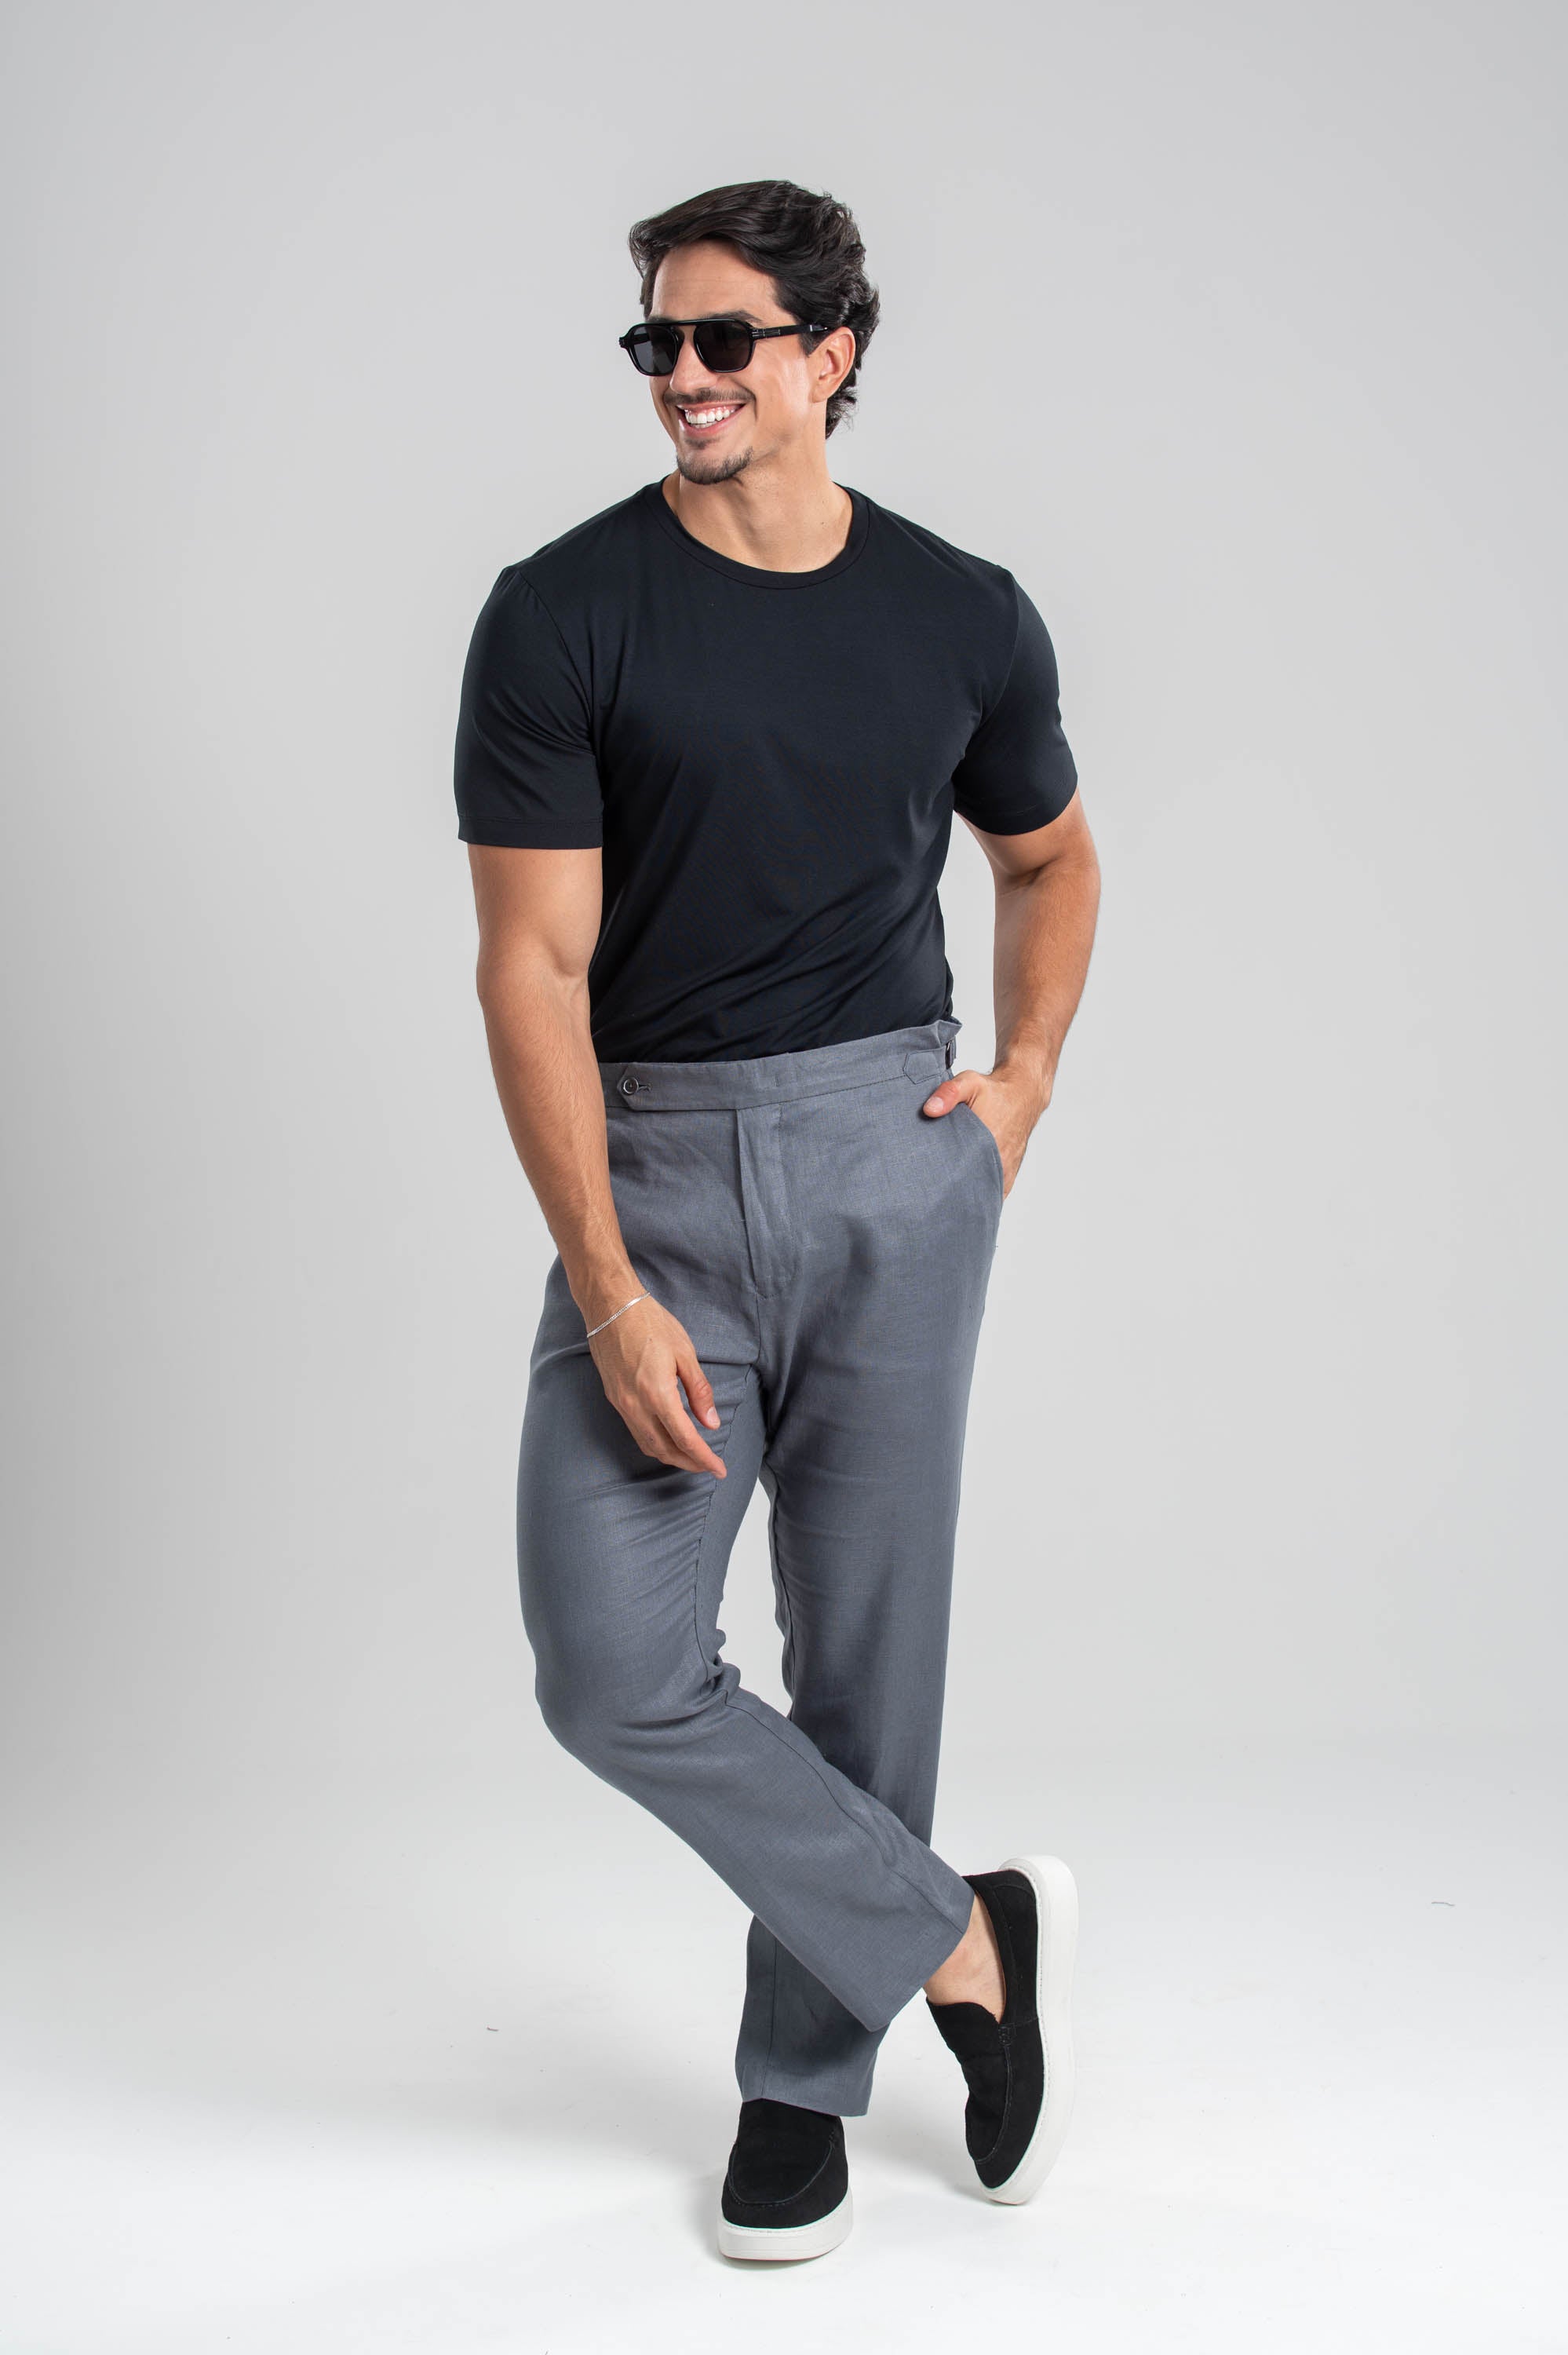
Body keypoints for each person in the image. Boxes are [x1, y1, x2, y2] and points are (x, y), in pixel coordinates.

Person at [454, 178, 1100, 2263]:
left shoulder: (962, 611)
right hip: (656, 1172)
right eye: (658, 339)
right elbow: (533, 969)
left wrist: (1019, 1085)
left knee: (867, 1654)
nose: (685, 375)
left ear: (833, 354)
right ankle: (961, 1941)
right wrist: (610, 1283)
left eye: (724, 338)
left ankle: (802, 2085)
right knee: (612, 1667)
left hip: (892, 1151)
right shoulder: (563, 614)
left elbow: (1051, 858)